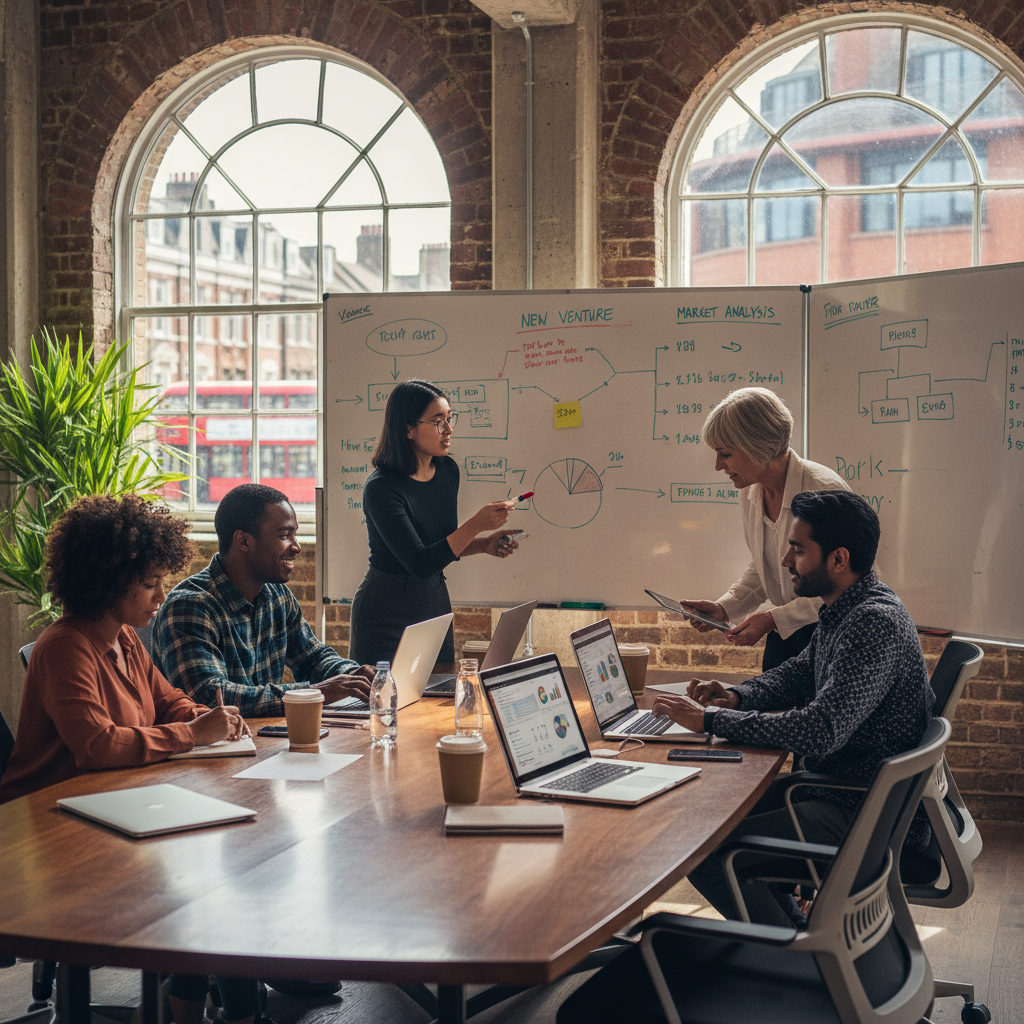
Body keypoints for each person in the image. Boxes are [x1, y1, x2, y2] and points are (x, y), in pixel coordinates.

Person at [652, 490, 935, 927]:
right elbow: (800, 673)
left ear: (838, 559)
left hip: (863, 811)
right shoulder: (849, 607)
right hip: (846, 789)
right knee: (713, 810)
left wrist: (712, 719)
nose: (786, 561)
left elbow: (821, 730)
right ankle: (797, 935)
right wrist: (738, 695)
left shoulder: (871, 622)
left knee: (704, 847)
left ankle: (794, 955)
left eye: (799, 550)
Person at [0, 494, 246, 805]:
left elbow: (168, 702)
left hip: (110, 795)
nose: (161, 596)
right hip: (41, 812)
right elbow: (97, 745)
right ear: (107, 582)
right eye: (148, 584)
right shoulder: (64, 648)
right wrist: (194, 734)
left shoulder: (125, 636)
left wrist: (207, 717)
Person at [153, 483, 373, 717]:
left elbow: (313, 658)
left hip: (262, 742)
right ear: (243, 541)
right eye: (284, 535)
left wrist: (356, 677)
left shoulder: (277, 595)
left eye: (294, 534)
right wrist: (312, 693)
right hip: (211, 751)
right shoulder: (190, 606)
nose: (296, 547)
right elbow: (210, 697)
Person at [349, 378, 519, 665]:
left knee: (437, 697)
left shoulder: (447, 470)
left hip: (433, 602)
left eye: (450, 419)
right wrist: (476, 524)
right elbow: (419, 562)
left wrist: (482, 545)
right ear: (408, 429)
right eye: (438, 421)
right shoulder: (382, 488)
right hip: (385, 610)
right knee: (384, 702)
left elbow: (439, 545)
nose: (449, 430)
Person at [681, 387, 850, 670]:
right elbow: (766, 568)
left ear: (756, 447)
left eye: (725, 454)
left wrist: (773, 618)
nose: (717, 466)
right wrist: (724, 608)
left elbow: (852, 586)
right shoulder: (751, 491)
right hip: (786, 637)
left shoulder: (823, 490)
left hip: (833, 638)